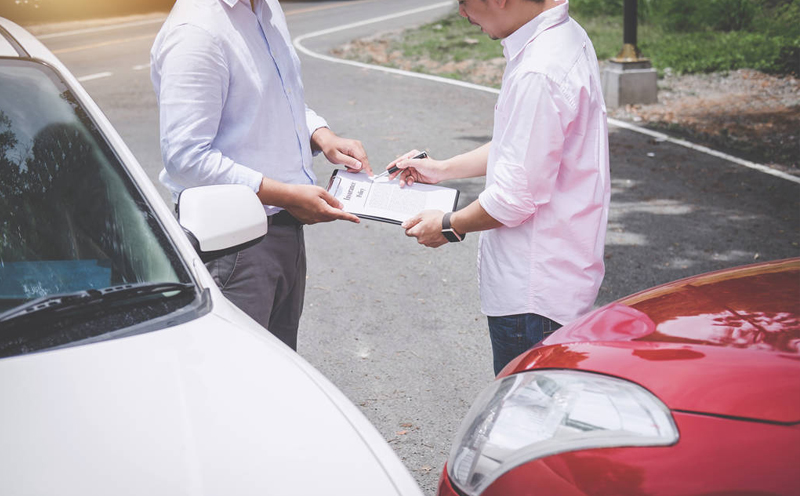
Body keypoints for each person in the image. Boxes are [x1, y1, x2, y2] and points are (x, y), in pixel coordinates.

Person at [390, 0, 610, 375]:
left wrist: (448, 225)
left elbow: (513, 198)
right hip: (558, 279)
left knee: (527, 420)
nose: (461, 12)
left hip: (533, 296)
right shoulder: (565, 37)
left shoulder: (539, 69)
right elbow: (524, 146)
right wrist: (442, 169)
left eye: (463, 1)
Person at [151, 0, 372, 350]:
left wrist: (322, 136)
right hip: (233, 246)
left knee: (279, 372)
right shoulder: (196, 32)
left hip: (284, 229)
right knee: (238, 381)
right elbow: (186, 157)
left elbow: (280, 97)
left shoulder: (265, 7)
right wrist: (285, 195)